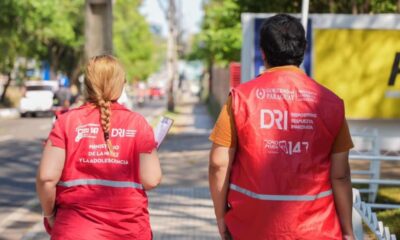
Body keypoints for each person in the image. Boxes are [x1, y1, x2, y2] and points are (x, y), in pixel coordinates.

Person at [209, 14, 355, 239]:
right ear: (303, 50)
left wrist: (221, 217)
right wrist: (347, 231)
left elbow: (219, 164)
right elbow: (341, 175)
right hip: (316, 230)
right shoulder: (331, 103)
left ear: (263, 52)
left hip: (250, 228)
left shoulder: (240, 99)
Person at [36, 55, 162, 239]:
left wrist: (50, 215)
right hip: (129, 231)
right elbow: (151, 179)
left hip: (75, 230)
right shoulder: (138, 124)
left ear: (87, 85)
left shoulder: (66, 122)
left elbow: (46, 178)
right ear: (121, 84)